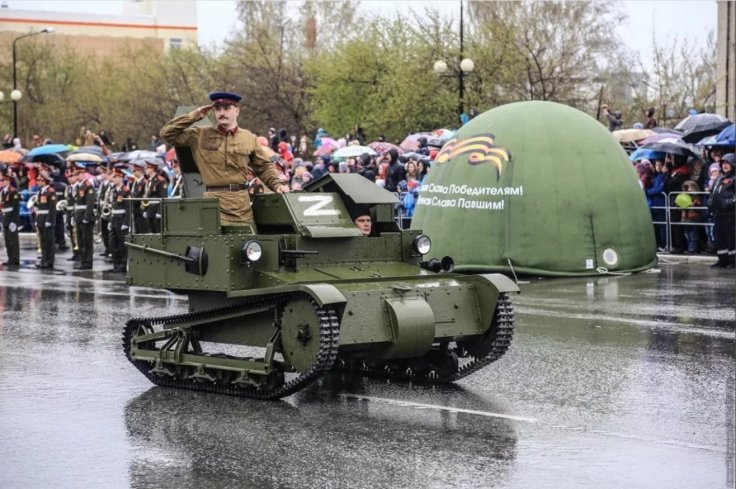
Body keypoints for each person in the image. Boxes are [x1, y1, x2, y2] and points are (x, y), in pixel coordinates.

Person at [160, 91, 289, 229]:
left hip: (241, 207)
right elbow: (167, 133)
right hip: (213, 206)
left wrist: (277, 184)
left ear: (237, 111)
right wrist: (194, 116)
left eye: (227, 108)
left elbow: (263, 166)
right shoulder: (200, 135)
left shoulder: (248, 138)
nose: (222, 113)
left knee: (249, 246)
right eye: (217, 109)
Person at [706, 153, 735, 267]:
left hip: (731, 213)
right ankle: (722, 260)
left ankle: (733, 261)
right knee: (719, 237)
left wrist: (728, 203)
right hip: (718, 213)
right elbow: (714, 192)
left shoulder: (734, 178)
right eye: (723, 163)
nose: (725, 166)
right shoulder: (720, 178)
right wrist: (710, 202)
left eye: (728, 163)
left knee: (731, 238)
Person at [107, 164, 131, 273]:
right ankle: (116, 263)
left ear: (121, 177)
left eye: (116, 177)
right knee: (113, 243)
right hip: (114, 219)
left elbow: (128, 208)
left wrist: (126, 222)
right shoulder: (113, 190)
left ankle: (123, 264)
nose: (113, 179)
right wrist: (110, 220)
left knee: (122, 244)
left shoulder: (125, 191)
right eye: (113, 176)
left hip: (122, 220)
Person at [73, 162, 96, 270]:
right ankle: (83, 261)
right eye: (76, 174)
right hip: (79, 216)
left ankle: (88, 262)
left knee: (87, 241)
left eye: (78, 174)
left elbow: (90, 203)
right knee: (81, 241)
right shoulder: (79, 186)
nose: (76, 176)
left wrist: (87, 217)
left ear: (83, 174)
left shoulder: (88, 186)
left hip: (85, 217)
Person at [34, 172, 57, 269]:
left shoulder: (50, 192)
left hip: (47, 219)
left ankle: (49, 261)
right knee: (43, 242)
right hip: (41, 219)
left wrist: (49, 220)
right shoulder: (40, 192)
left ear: (44, 181)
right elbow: (39, 207)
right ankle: (44, 260)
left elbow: (52, 208)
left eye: (39, 180)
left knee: (49, 242)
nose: (37, 182)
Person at [1, 170, 21, 267]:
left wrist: (14, 221)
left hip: (11, 218)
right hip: (5, 218)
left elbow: (16, 208)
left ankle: (15, 259)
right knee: (7, 240)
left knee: (13, 240)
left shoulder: (13, 192)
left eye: (3, 181)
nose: (1, 182)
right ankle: (10, 258)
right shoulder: (3, 192)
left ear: (8, 181)